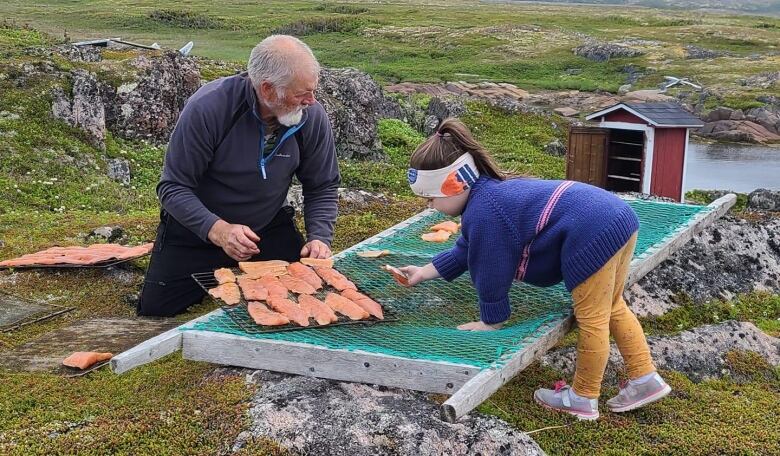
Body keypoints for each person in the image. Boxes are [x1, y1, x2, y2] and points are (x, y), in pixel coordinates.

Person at [398, 118, 670, 420]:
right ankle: (645, 378)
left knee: (591, 317)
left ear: (454, 184)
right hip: (618, 218)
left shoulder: (485, 211)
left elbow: (491, 268)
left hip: (591, 231)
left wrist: (492, 320)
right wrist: (424, 271)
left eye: (431, 198)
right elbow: (468, 248)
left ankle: (583, 396)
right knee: (612, 305)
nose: (430, 206)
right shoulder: (489, 194)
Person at [137, 35, 340, 317]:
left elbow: (322, 186)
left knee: (310, 294)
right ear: (268, 90)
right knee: (155, 311)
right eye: (301, 94)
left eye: (312, 91)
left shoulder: (310, 116)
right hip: (199, 229)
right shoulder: (210, 108)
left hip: (265, 228)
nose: (311, 101)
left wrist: (320, 237)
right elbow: (173, 187)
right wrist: (219, 231)